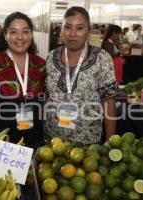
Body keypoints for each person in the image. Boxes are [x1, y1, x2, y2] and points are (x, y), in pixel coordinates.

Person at [44, 6, 119, 145]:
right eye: (67, 27)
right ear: (61, 30)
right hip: (52, 143)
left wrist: (110, 144)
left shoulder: (102, 58)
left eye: (79, 28)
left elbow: (109, 102)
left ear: (88, 32)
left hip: (88, 146)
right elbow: (47, 97)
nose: (72, 33)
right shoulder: (51, 57)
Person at [0, 12, 46, 148]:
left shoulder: (41, 65)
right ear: (5, 35)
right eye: (13, 32)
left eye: (25, 32)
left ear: (31, 35)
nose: (20, 37)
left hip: (35, 142)